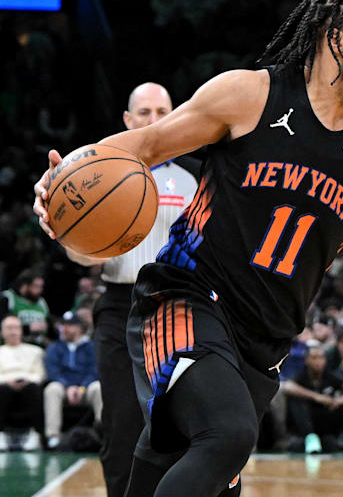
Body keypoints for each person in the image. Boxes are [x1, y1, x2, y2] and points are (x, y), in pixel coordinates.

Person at [33, 0, 343, 497]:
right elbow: (145, 145)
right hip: (184, 299)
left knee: (178, 466)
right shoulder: (249, 95)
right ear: (336, 38)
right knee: (225, 435)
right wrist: (62, 180)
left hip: (263, 344)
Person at [63, 82, 200, 497]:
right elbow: (81, 258)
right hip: (122, 305)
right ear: (127, 120)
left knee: (183, 429)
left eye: (163, 111)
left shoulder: (196, 175)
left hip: (180, 308)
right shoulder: (99, 173)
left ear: (176, 115)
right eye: (144, 112)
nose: (154, 120)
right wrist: (68, 229)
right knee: (122, 426)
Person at [281, 345, 343, 454]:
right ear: (307, 360)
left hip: (328, 419)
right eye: (314, 358)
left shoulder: (330, 375)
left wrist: (340, 400)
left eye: (320, 358)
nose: (318, 361)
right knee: (296, 400)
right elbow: (287, 387)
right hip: (308, 421)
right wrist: (316, 397)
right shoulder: (302, 375)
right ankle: (310, 438)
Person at [43, 311, 102, 450]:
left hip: (86, 390)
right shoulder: (55, 347)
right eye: (63, 325)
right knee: (52, 389)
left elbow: (95, 370)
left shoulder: (91, 347)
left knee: (98, 387)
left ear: (80, 328)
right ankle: (53, 436)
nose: (65, 329)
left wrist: (82, 388)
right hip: (64, 390)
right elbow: (52, 371)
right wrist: (68, 387)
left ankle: (103, 431)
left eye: (70, 325)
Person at [0, 315, 46, 451]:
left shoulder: (36, 351)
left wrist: (25, 380)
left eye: (16, 328)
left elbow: (40, 374)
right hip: (4, 386)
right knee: (3, 390)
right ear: (2, 332)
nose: (13, 332)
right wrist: (8, 381)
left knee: (33, 389)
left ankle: (35, 434)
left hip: (28, 385)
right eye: (9, 328)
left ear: (21, 330)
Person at [1, 270, 49, 345]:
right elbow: (3, 326)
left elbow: (48, 323)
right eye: (36, 286)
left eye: (41, 286)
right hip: (12, 348)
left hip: (37, 348)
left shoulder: (41, 302)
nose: (40, 290)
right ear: (24, 286)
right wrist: (29, 328)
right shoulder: (8, 298)